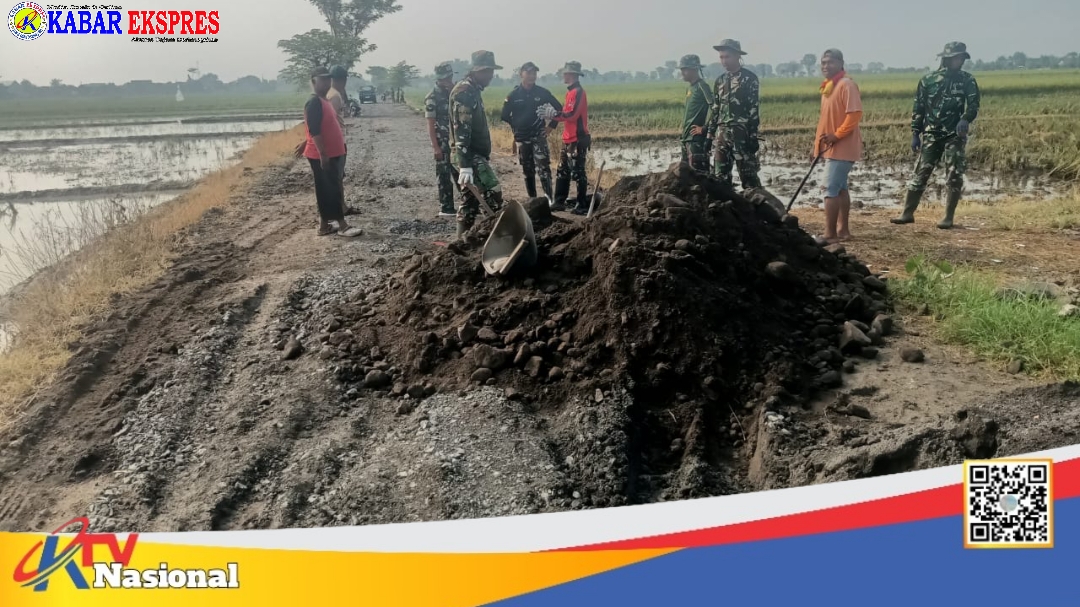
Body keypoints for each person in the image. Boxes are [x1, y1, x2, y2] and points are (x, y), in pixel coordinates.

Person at [892, 42, 981, 229]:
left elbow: (973, 105)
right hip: (931, 134)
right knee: (921, 174)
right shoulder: (928, 80)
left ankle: (948, 217)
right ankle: (907, 213)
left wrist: (965, 119)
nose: (959, 61)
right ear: (947, 59)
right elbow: (919, 108)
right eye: (956, 58)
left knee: (954, 175)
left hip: (954, 134)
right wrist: (915, 133)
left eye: (962, 58)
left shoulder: (967, 80)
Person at [450, 50, 506, 237]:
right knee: (493, 192)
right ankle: (497, 241)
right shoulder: (465, 92)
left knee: (470, 201)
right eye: (487, 71)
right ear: (476, 71)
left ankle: (460, 245)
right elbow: (461, 129)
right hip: (468, 154)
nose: (490, 75)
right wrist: (465, 165)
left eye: (491, 71)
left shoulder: (473, 90)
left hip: (471, 154)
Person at [301, 66, 361, 238]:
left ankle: (324, 226)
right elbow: (314, 130)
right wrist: (323, 154)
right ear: (314, 82)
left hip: (331, 152)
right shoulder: (314, 102)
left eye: (328, 79)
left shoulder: (324, 100)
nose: (326, 82)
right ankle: (342, 226)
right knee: (331, 190)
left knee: (326, 190)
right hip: (322, 154)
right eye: (322, 79)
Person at [813, 48, 863, 243]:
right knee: (841, 189)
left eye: (830, 62)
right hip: (831, 148)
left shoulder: (846, 85)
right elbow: (825, 121)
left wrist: (837, 135)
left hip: (843, 147)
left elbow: (854, 116)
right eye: (823, 63)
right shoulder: (828, 87)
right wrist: (817, 147)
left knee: (829, 190)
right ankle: (843, 231)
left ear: (841, 64)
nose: (826, 66)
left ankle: (830, 234)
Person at [500, 61, 563, 203]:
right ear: (521, 74)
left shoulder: (542, 92)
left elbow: (559, 108)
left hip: (538, 135)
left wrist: (551, 126)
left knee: (544, 168)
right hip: (522, 137)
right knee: (527, 170)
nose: (532, 76)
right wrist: (516, 126)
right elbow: (504, 115)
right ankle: (532, 200)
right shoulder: (513, 95)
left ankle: (549, 200)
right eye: (528, 73)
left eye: (534, 73)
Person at [706, 39, 762, 189]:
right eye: (721, 57)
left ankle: (757, 203)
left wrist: (753, 136)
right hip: (722, 134)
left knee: (749, 177)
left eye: (727, 57)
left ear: (737, 56)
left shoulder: (749, 79)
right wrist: (710, 135)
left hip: (742, 133)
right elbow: (716, 109)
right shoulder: (720, 81)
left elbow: (753, 109)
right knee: (720, 178)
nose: (724, 61)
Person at [541, 61, 591, 214]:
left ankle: (582, 204)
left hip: (578, 139)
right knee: (562, 171)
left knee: (578, 172)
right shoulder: (570, 93)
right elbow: (566, 114)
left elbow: (572, 115)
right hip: (568, 138)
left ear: (571, 74)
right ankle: (559, 201)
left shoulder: (578, 92)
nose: (563, 75)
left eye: (565, 73)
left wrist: (554, 114)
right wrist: (554, 116)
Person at [424, 61, 458, 218]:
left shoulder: (455, 92)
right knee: (444, 175)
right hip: (442, 141)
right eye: (445, 78)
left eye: (450, 77)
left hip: (456, 140)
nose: (448, 80)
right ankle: (447, 207)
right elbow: (430, 124)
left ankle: (469, 204)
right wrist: (435, 147)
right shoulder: (432, 97)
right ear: (439, 78)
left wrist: (454, 91)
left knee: (461, 172)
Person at [327, 64, 360, 216]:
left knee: (335, 177)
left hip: (333, 141)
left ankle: (340, 206)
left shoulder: (328, 93)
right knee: (337, 177)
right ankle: (340, 208)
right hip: (336, 141)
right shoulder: (335, 96)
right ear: (343, 80)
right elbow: (330, 121)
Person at [678, 54, 714, 173]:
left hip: (696, 140)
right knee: (685, 176)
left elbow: (716, 108)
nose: (682, 72)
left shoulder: (702, 86)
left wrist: (705, 128)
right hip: (686, 139)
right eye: (681, 69)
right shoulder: (690, 88)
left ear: (694, 69)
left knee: (699, 176)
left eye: (685, 69)